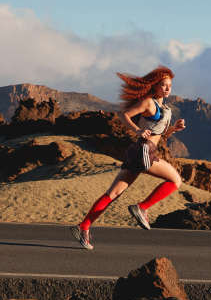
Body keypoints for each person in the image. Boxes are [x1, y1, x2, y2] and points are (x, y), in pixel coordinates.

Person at [70, 66, 186, 250]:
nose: (167, 88)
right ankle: (142, 208)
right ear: (155, 86)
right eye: (163, 85)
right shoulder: (149, 103)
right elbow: (123, 115)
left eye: (169, 85)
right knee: (176, 180)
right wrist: (138, 130)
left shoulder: (166, 109)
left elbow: (160, 136)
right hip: (144, 150)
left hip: (140, 151)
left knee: (113, 194)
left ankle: (83, 226)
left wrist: (174, 129)